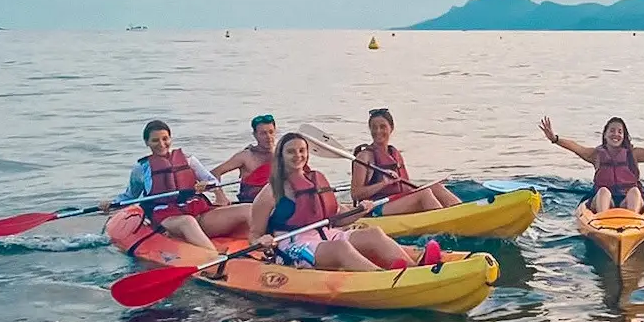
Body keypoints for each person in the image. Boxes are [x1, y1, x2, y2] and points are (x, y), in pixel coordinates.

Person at [249, 133, 441, 271]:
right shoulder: (270, 192)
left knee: (374, 234)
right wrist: (262, 241)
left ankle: (415, 269)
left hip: (326, 234)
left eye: (302, 150)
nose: (298, 155)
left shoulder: (316, 181)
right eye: (291, 152)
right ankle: (383, 278)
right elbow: (254, 235)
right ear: (281, 157)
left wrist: (361, 210)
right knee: (341, 248)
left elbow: (338, 218)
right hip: (292, 246)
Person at [101, 119, 252, 249]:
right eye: (155, 140)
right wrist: (112, 204)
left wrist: (206, 185)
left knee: (249, 209)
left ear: (170, 139)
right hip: (168, 219)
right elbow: (130, 196)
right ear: (147, 142)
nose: (161, 144)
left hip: (198, 212)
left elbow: (212, 181)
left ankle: (264, 247)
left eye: (165, 139)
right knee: (187, 222)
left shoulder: (188, 160)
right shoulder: (141, 168)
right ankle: (214, 258)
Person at [539, 116, 644, 212]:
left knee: (634, 191)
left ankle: (631, 227)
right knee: (603, 191)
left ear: (624, 136)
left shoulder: (633, 154)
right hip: (604, 204)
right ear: (605, 135)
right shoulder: (596, 155)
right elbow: (575, 147)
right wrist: (555, 139)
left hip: (629, 204)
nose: (615, 134)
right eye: (612, 131)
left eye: (619, 132)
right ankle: (603, 227)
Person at [350, 108, 462, 215]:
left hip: (397, 201)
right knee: (425, 194)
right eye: (374, 127)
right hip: (375, 206)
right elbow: (355, 194)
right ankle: (443, 224)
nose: (378, 131)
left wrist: (421, 187)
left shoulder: (394, 153)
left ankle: (461, 213)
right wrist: (383, 184)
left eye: (382, 127)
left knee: (435, 187)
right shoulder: (364, 157)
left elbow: (406, 186)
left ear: (391, 128)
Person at [212, 114, 276, 203]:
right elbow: (215, 173)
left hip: (276, 202)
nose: (268, 137)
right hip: (250, 204)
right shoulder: (245, 156)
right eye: (263, 133)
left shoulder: (281, 154)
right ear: (255, 135)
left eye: (271, 132)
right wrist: (220, 196)